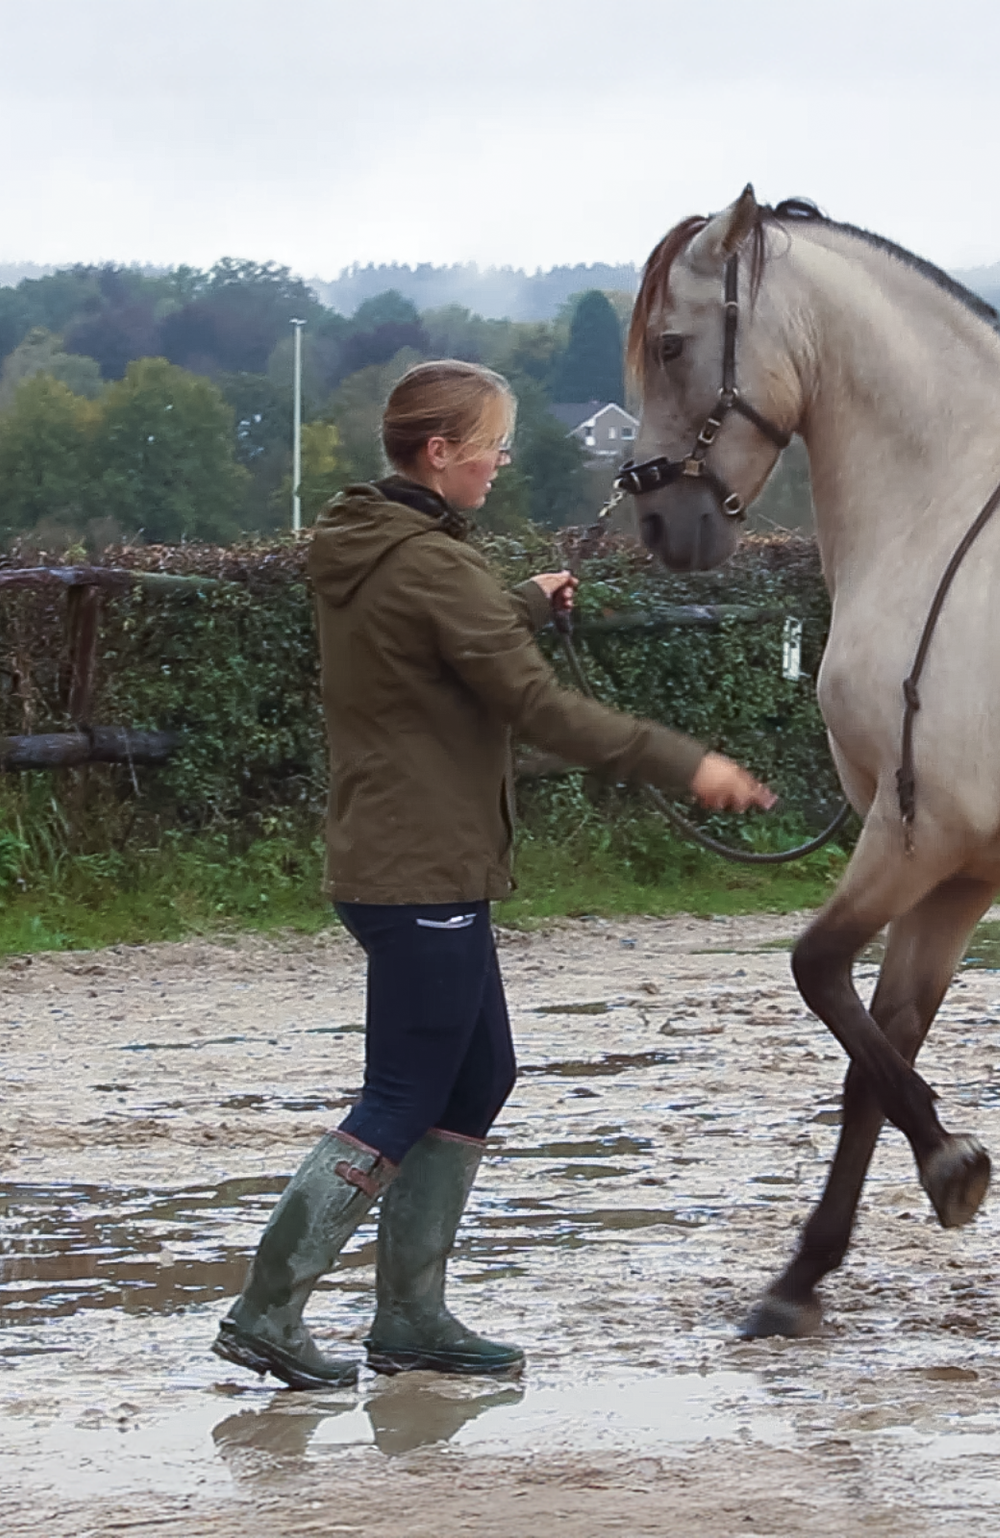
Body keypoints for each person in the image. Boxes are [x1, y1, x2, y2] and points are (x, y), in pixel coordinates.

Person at [213, 359, 776, 1390]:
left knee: (477, 1075)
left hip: (420, 855)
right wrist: (683, 760)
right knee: (401, 1092)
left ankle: (411, 1316)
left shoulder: (382, 545)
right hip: (415, 863)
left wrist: (515, 598)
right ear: (439, 453)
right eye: (492, 446)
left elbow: (431, 643)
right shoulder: (431, 565)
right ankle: (267, 1306)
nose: (501, 463)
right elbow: (540, 708)